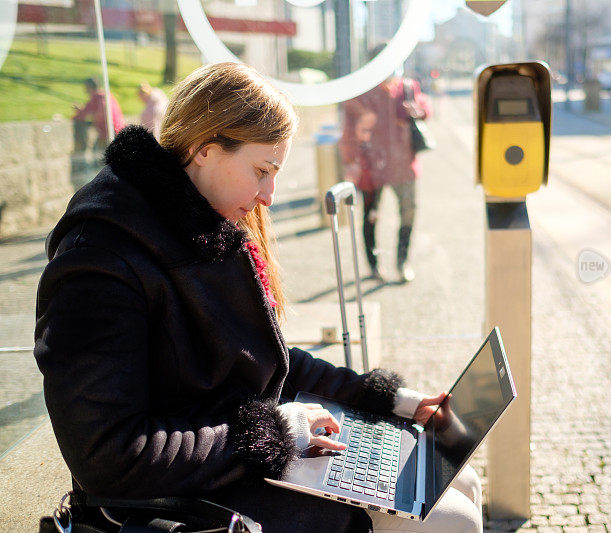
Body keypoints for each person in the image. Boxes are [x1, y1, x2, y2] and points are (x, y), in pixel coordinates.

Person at [35, 62, 481, 533]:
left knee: (460, 479)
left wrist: (387, 400)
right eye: (262, 171)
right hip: (172, 499)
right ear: (204, 149)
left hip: (231, 461)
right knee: (453, 520)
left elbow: (266, 360)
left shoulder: (203, 222)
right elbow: (108, 455)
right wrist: (275, 434)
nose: (269, 195)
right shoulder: (99, 262)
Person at [340, 48, 432, 284]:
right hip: (372, 166)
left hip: (404, 163)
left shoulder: (407, 86)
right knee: (371, 214)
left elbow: (424, 107)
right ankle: (373, 265)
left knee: (408, 211)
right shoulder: (361, 93)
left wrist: (420, 111)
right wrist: (351, 162)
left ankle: (402, 262)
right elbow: (349, 132)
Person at [72, 77, 125, 152]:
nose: (85, 90)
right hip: (117, 129)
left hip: (109, 131)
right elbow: (89, 110)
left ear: (89, 87)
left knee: (98, 154)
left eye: (86, 87)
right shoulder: (105, 95)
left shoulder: (97, 97)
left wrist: (78, 114)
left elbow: (84, 113)